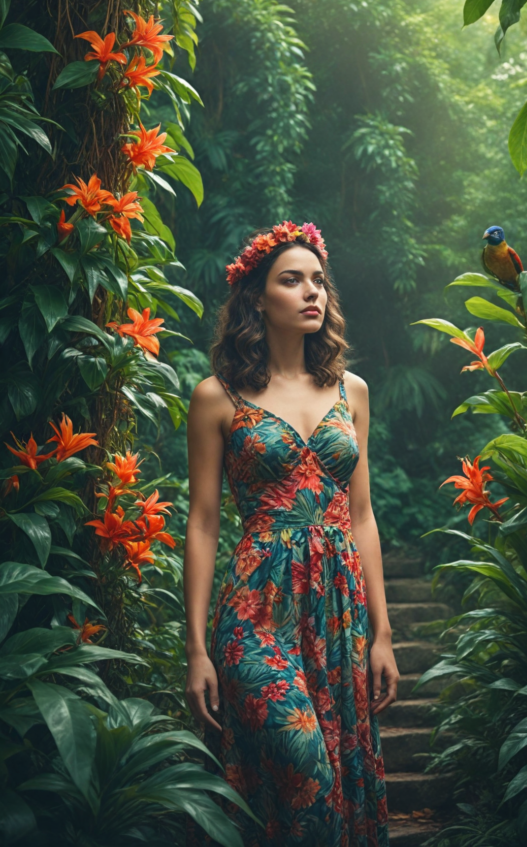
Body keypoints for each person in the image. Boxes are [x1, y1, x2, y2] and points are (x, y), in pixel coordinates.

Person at [184, 221, 399, 847]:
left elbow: (361, 515)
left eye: (318, 281)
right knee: (304, 768)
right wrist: (196, 648)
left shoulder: (351, 392)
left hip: (338, 611)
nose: (312, 292)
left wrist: (382, 634)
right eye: (292, 280)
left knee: (331, 781)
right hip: (257, 609)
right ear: (257, 298)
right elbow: (203, 521)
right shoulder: (216, 398)